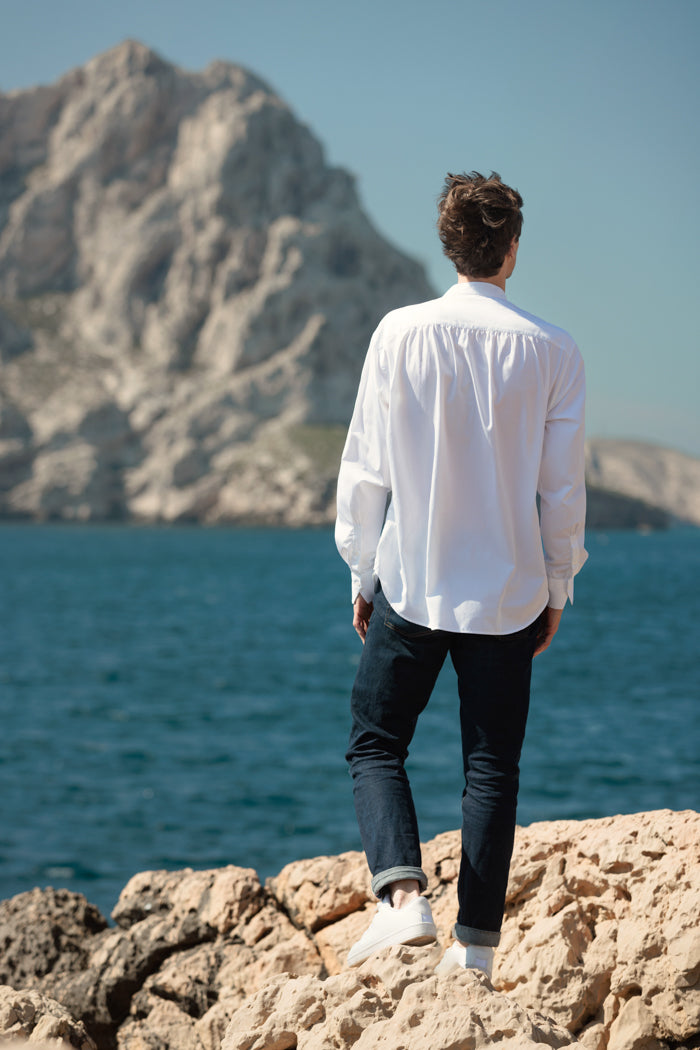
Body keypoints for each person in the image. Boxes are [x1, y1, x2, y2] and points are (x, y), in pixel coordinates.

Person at [334, 171, 587, 978]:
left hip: (411, 580)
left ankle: (403, 901)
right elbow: (561, 491)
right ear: (512, 248)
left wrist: (362, 573)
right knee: (492, 768)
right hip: (511, 591)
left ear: (449, 247)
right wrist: (559, 585)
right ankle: (474, 953)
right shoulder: (555, 350)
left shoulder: (397, 334)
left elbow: (366, 471)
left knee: (376, 744)